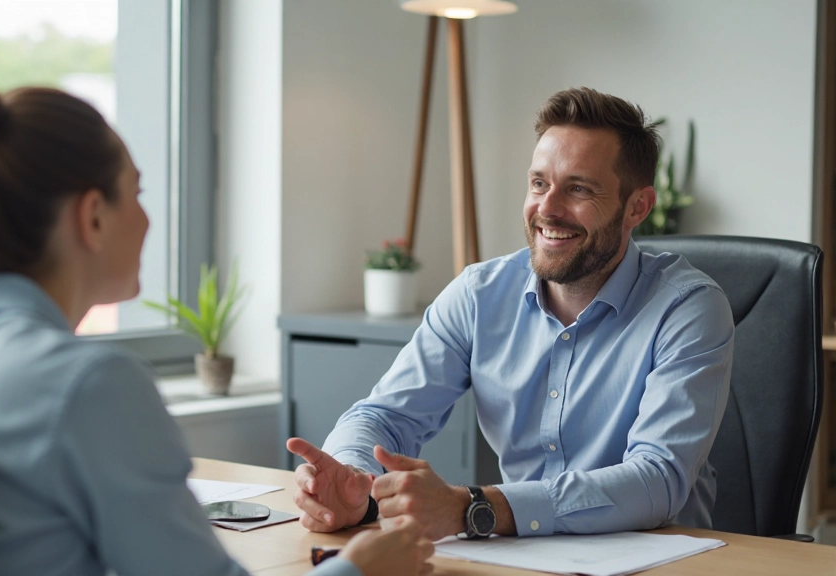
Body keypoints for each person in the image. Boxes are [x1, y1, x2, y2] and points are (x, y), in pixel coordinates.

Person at [0, 74, 435, 576]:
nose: (146, 219)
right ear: (93, 216)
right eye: (137, 194)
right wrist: (359, 570)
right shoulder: (87, 384)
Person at [288, 87, 735, 542]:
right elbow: (383, 416)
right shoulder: (479, 294)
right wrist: (352, 479)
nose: (547, 209)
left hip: (659, 559)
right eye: (539, 184)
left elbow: (657, 479)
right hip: (523, 557)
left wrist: (476, 508)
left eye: (578, 189)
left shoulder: (687, 307)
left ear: (637, 207)